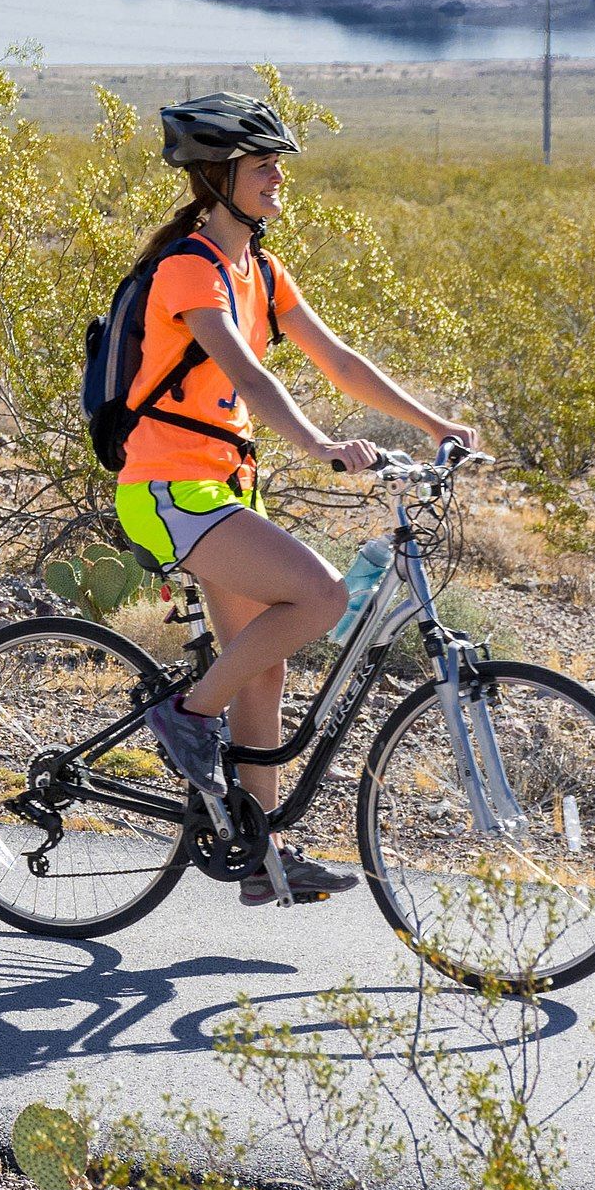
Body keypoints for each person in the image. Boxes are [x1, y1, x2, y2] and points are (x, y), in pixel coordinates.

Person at [117, 92, 478, 904]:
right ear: (218, 179)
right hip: (167, 486)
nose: (280, 176)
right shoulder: (187, 268)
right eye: (263, 165)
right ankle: (185, 715)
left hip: (220, 487)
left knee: (267, 672)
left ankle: (258, 858)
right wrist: (317, 444)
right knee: (320, 593)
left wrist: (432, 423)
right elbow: (250, 374)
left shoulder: (261, 269)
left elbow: (338, 359)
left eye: (277, 163)